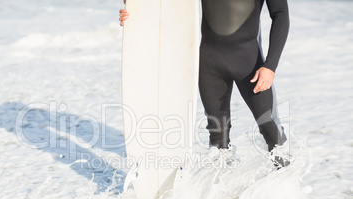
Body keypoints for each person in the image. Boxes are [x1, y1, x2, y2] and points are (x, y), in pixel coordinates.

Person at [119, 0, 290, 168]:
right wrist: (136, 12)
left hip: (250, 64)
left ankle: (284, 189)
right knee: (218, 137)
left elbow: (280, 14)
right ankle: (222, 192)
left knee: (271, 130)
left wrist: (270, 66)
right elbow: (166, 6)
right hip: (209, 65)